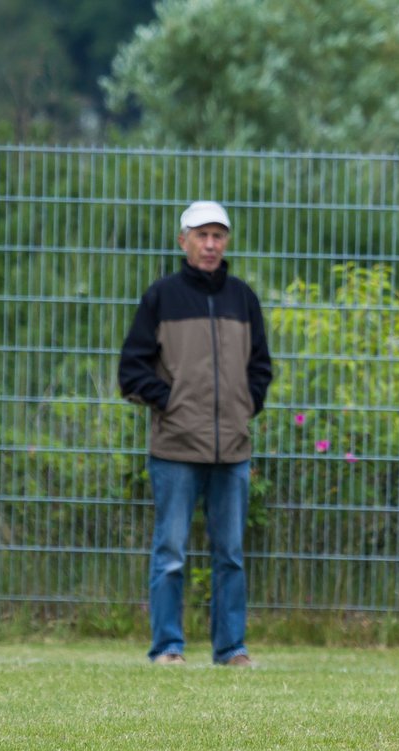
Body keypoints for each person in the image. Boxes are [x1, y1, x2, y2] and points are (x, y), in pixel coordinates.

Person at [118, 201, 273, 666]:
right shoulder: (160, 297)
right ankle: (167, 647)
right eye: (201, 235)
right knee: (170, 553)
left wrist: (246, 405)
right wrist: (171, 403)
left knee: (231, 556)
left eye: (218, 236)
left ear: (226, 242)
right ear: (182, 239)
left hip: (233, 450)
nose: (210, 245)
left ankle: (231, 648)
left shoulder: (243, 298)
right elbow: (131, 370)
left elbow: (260, 367)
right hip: (175, 448)